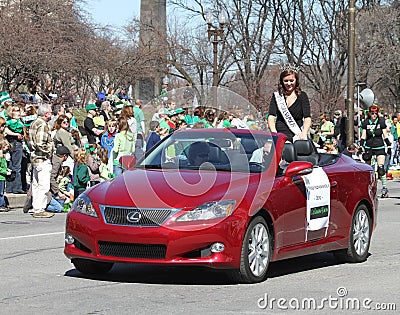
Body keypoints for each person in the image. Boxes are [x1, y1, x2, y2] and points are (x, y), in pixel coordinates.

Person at [267, 64, 311, 142]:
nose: (289, 83)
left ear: (296, 80)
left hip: (297, 134)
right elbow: (271, 116)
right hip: (280, 134)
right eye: (286, 81)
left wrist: (304, 133)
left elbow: (307, 117)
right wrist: (274, 133)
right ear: (282, 81)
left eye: (291, 80)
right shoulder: (277, 96)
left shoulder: (302, 96)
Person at [27, 103, 55, 218]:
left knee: (36, 184)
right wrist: (49, 150)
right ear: (45, 113)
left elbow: (30, 141)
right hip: (42, 158)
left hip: (34, 158)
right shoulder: (43, 124)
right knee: (43, 185)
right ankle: (39, 209)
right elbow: (40, 143)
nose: (52, 114)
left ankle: (36, 207)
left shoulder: (34, 122)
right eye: (50, 112)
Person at [360, 105, 391, 198]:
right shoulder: (365, 122)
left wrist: (388, 145)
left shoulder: (381, 121)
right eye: (372, 113)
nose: (374, 115)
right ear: (369, 113)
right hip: (369, 146)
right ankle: (369, 188)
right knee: (368, 169)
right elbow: (363, 135)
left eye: (375, 113)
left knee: (380, 169)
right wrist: (361, 145)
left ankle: (384, 188)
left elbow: (385, 134)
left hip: (379, 146)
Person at [0, 139, 12, 212]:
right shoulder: (1, 157)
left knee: (2, 192)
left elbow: (3, 166)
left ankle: (3, 204)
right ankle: (1, 205)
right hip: (1, 177)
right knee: (1, 193)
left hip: (2, 177)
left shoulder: (3, 156)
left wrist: (7, 169)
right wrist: (5, 172)